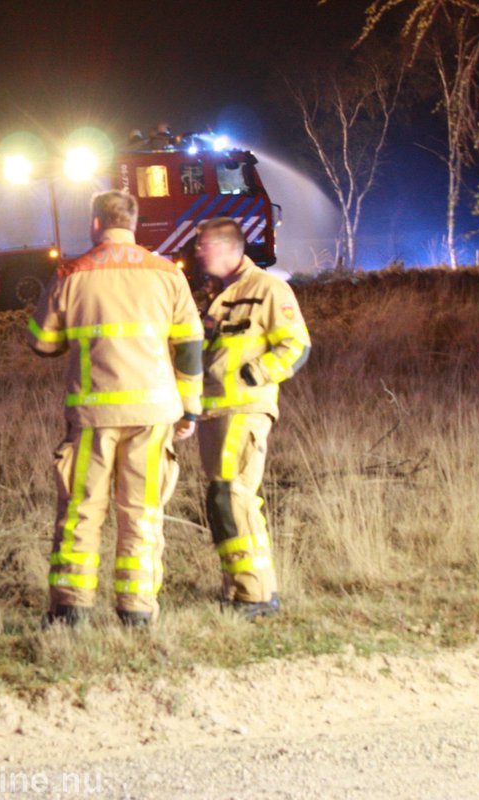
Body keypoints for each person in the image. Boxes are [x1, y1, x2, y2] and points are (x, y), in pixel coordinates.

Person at [29, 190, 203, 628]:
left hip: (92, 416)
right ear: (135, 222)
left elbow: (41, 341)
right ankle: (137, 612)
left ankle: (70, 610)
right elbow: (190, 347)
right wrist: (191, 409)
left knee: (82, 512)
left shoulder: (72, 273)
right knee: (142, 514)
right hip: (153, 415)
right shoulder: (167, 274)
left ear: (94, 224)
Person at [194, 217, 311, 618]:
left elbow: (297, 345)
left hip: (244, 409)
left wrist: (256, 374)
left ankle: (256, 596)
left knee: (233, 497)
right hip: (214, 414)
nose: (198, 251)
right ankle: (240, 588)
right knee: (224, 501)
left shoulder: (269, 289)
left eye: (204, 245)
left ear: (229, 248)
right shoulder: (217, 294)